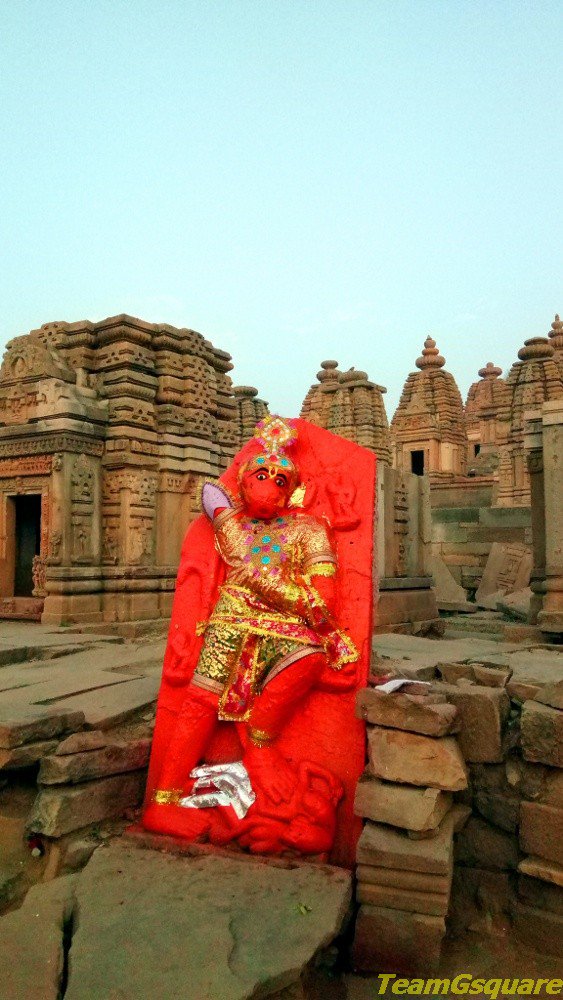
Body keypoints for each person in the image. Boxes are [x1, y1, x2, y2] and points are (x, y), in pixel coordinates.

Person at [142, 416, 358, 849]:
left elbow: (324, 601)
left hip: (286, 624)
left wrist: (266, 584)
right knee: (201, 699)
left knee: (311, 659)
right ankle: (163, 801)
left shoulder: (308, 529)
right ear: (243, 483)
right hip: (230, 619)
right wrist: (227, 512)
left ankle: (260, 742)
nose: (269, 486)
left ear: (291, 490)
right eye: (260, 475)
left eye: (280, 480)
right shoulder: (232, 526)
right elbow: (210, 493)